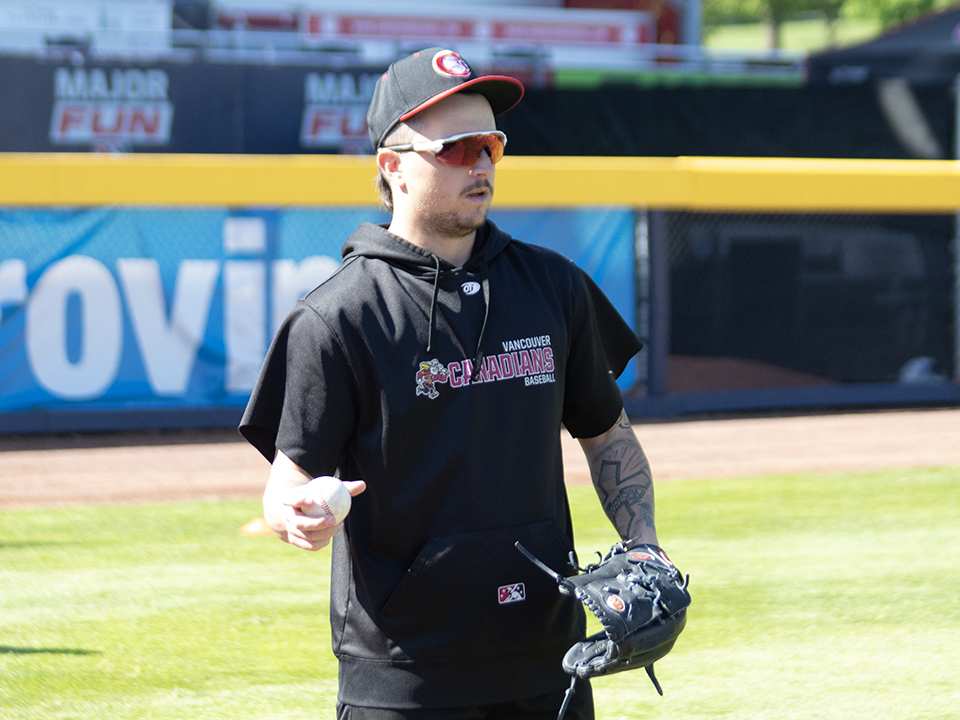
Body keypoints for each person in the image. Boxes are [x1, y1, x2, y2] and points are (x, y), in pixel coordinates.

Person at [240, 47, 659, 720]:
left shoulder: (554, 286)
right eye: (456, 149)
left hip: (548, 661)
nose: (483, 164)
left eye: (491, 144)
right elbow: (286, 484)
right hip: (407, 679)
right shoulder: (336, 315)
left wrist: (645, 548)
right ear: (392, 167)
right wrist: (297, 512)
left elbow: (607, 432)